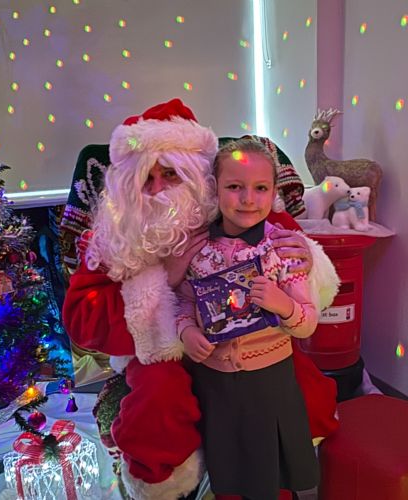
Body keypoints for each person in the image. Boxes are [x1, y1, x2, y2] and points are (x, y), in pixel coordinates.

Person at [62, 99, 339, 499]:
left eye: (170, 174)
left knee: (291, 388)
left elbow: (298, 263)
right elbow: (82, 319)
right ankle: (164, 484)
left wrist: (307, 258)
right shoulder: (114, 237)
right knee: (159, 398)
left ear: (195, 175)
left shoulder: (233, 207)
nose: (157, 190)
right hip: (161, 352)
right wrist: (166, 281)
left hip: (247, 346)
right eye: (145, 178)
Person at [176, 139, 321, 500]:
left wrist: (283, 304)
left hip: (269, 385)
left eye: (260, 188)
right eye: (234, 186)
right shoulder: (198, 249)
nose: (248, 199)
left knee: (265, 473)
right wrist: (187, 330)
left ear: (274, 192)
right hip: (213, 385)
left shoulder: (284, 249)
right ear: (215, 188)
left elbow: (308, 323)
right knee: (227, 468)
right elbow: (183, 301)